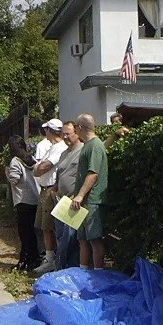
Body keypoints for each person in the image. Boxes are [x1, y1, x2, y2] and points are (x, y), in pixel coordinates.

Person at [70, 113, 109, 269]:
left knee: (94, 239)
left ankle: (98, 275)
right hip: (84, 200)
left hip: (92, 200)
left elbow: (93, 174)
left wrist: (80, 195)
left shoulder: (94, 146)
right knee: (82, 239)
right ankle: (83, 271)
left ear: (80, 127)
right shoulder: (88, 145)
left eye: (75, 128)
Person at [32, 118, 67, 273]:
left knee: (49, 226)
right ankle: (49, 257)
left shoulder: (59, 148)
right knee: (44, 226)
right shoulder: (51, 147)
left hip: (50, 189)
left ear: (49, 131)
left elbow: (44, 167)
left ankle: (52, 259)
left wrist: (37, 170)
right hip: (45, 188)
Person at [5, 135, 40, 271]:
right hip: (34, 198)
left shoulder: (15, 161)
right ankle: (34, 258)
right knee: (31, 231)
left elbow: (14, 179)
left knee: (24, 232)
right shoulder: (31, 158)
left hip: (23, 200)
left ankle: (25, 259)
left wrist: (6, 173)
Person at [52, 121, 84, 269]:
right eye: (62, 134)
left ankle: (69, 269)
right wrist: (55, 187)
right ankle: (61, 269)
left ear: (77, 133)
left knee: (70, 240)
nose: (64, 137)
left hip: (73, 202)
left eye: (68, 134)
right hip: (60, 201)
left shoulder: (83, 150)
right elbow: (60, 173)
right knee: (60, 237)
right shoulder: (64, 153)